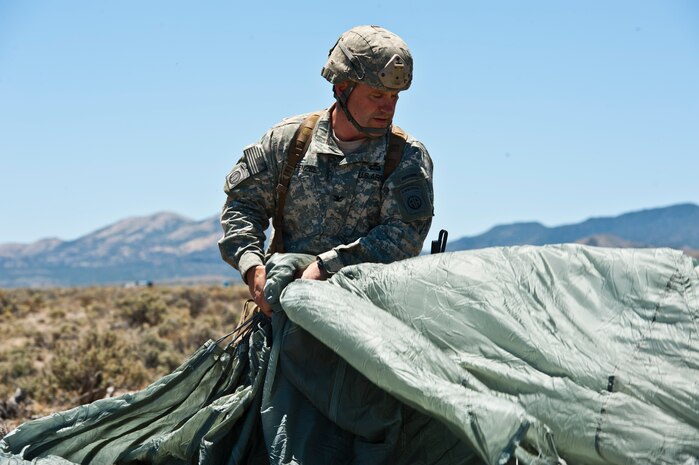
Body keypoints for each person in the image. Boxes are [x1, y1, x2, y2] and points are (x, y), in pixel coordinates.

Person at [219, 25, 434, 316]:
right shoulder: (289, 141)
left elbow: (403, 237)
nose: (388, 107)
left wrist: (323, 269)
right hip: (285, 313)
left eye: (394, 96)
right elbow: (242, 205)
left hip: (371, 319)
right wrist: (252, 268)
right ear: (342, 88)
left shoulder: (406, 157)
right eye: (376, 95)